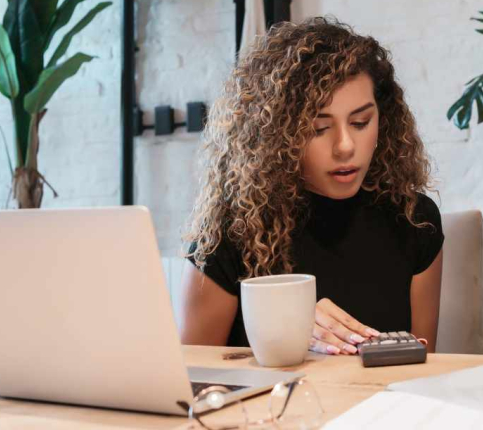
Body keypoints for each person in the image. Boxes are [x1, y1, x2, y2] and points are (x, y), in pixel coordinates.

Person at [179, 17, 444, 354]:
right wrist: (281, 329)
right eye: (319, 128)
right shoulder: (231, 231)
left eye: (361, 122)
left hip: (381, 405)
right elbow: (194, 378)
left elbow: (424, 363)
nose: (345, 145)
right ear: (278, 136)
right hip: (271, 406)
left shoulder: (414, 218)